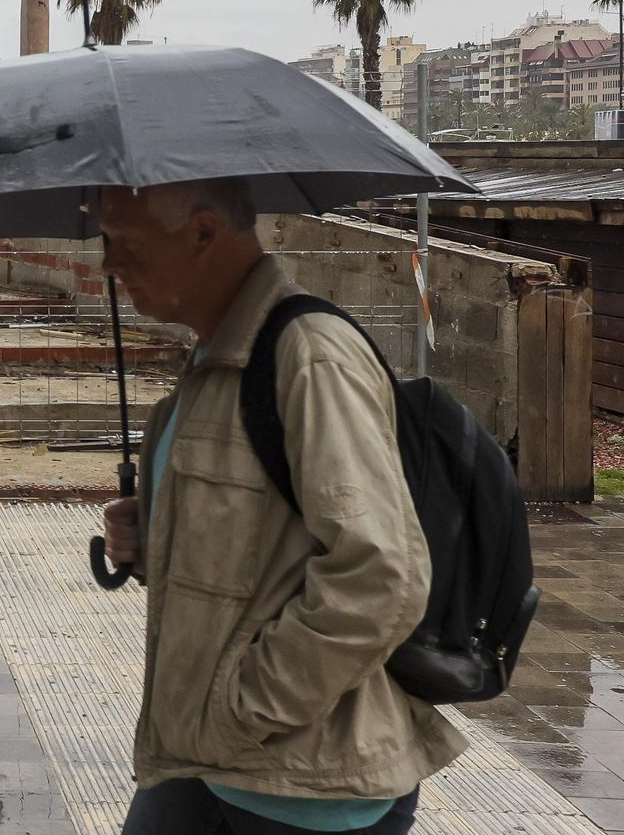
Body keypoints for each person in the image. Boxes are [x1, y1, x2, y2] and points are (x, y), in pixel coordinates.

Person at [99, 178, 464, 835]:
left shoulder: (310, 357)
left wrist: (246, 705)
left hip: (305, 788)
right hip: (205, 763)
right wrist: (153, 538)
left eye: (125, 241)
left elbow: (381, 575)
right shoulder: (215, 361)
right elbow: (257, 553)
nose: (108, 263)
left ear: (203, 232)